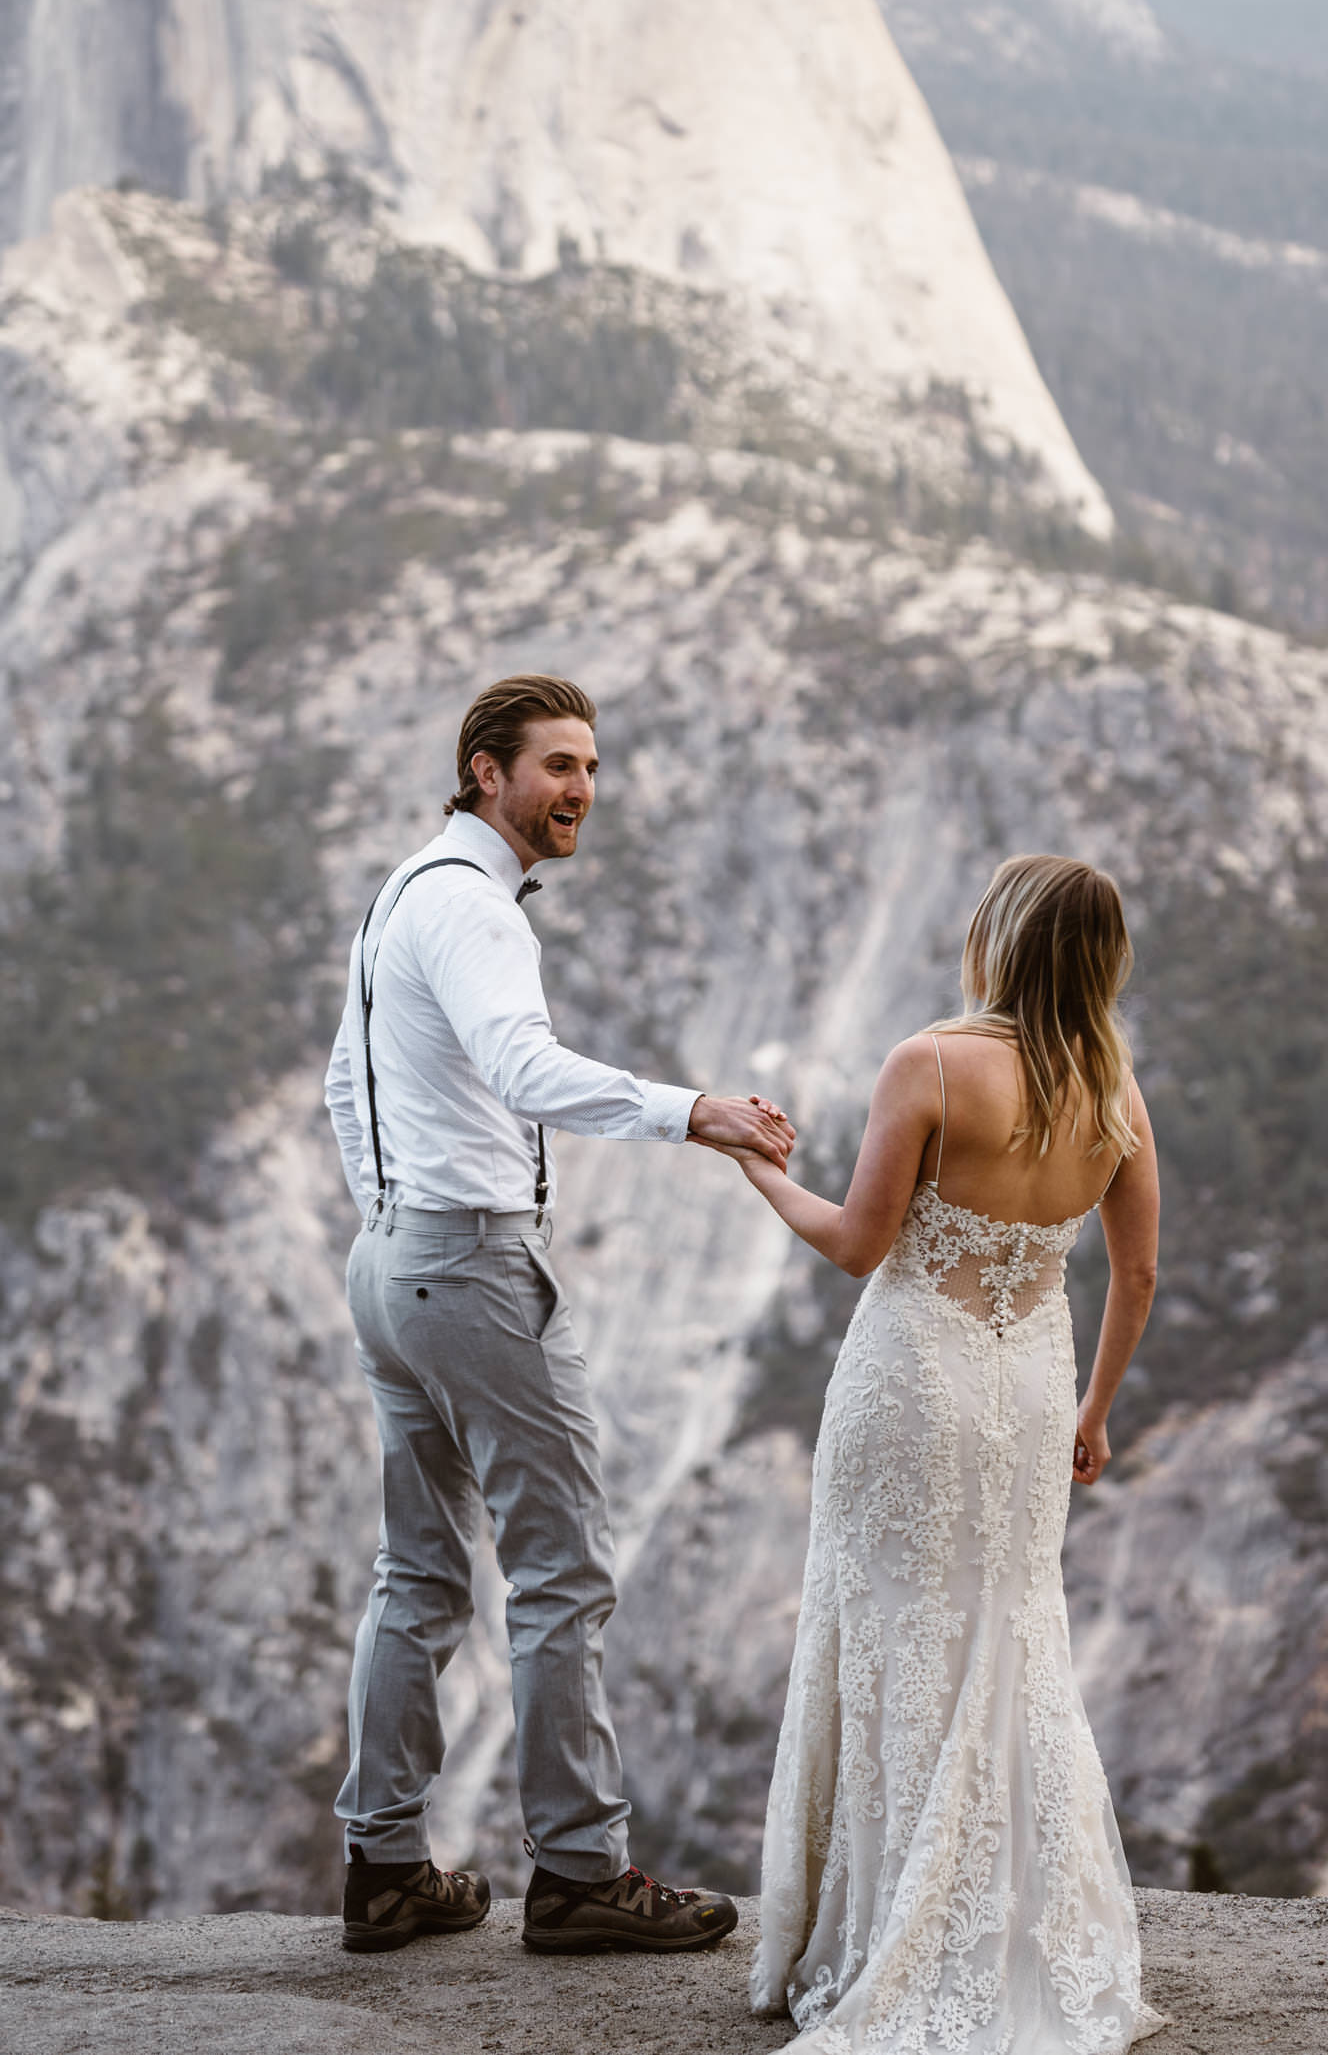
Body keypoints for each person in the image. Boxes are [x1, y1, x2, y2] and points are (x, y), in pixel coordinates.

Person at [323, 673, 794, 1957]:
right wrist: (692, 1109)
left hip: (395, 1262)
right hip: (468, 1268)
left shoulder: (404, 891)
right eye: (556, 767)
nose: (581, 789)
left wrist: (391, 1223)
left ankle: (382, 1869)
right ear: (487, 771)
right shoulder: (474, 911)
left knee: (416, 1575)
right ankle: (582, 1874)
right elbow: (524, 1070)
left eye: (591, 766)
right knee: (560, 1573)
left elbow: (341, 1081)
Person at [723, 854, 1164, 2049]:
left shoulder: (929, 1063)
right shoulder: (1115, 1093)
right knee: (1010, 1629)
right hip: (1031, 1393)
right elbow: (1136, 1273)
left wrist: (762, 1170)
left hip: (912, 1380)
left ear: (1000, 941)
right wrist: (1097, 1412)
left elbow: (859, 1245)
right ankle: (1016, 1922)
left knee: (893, 1629)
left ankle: (887, 1929)